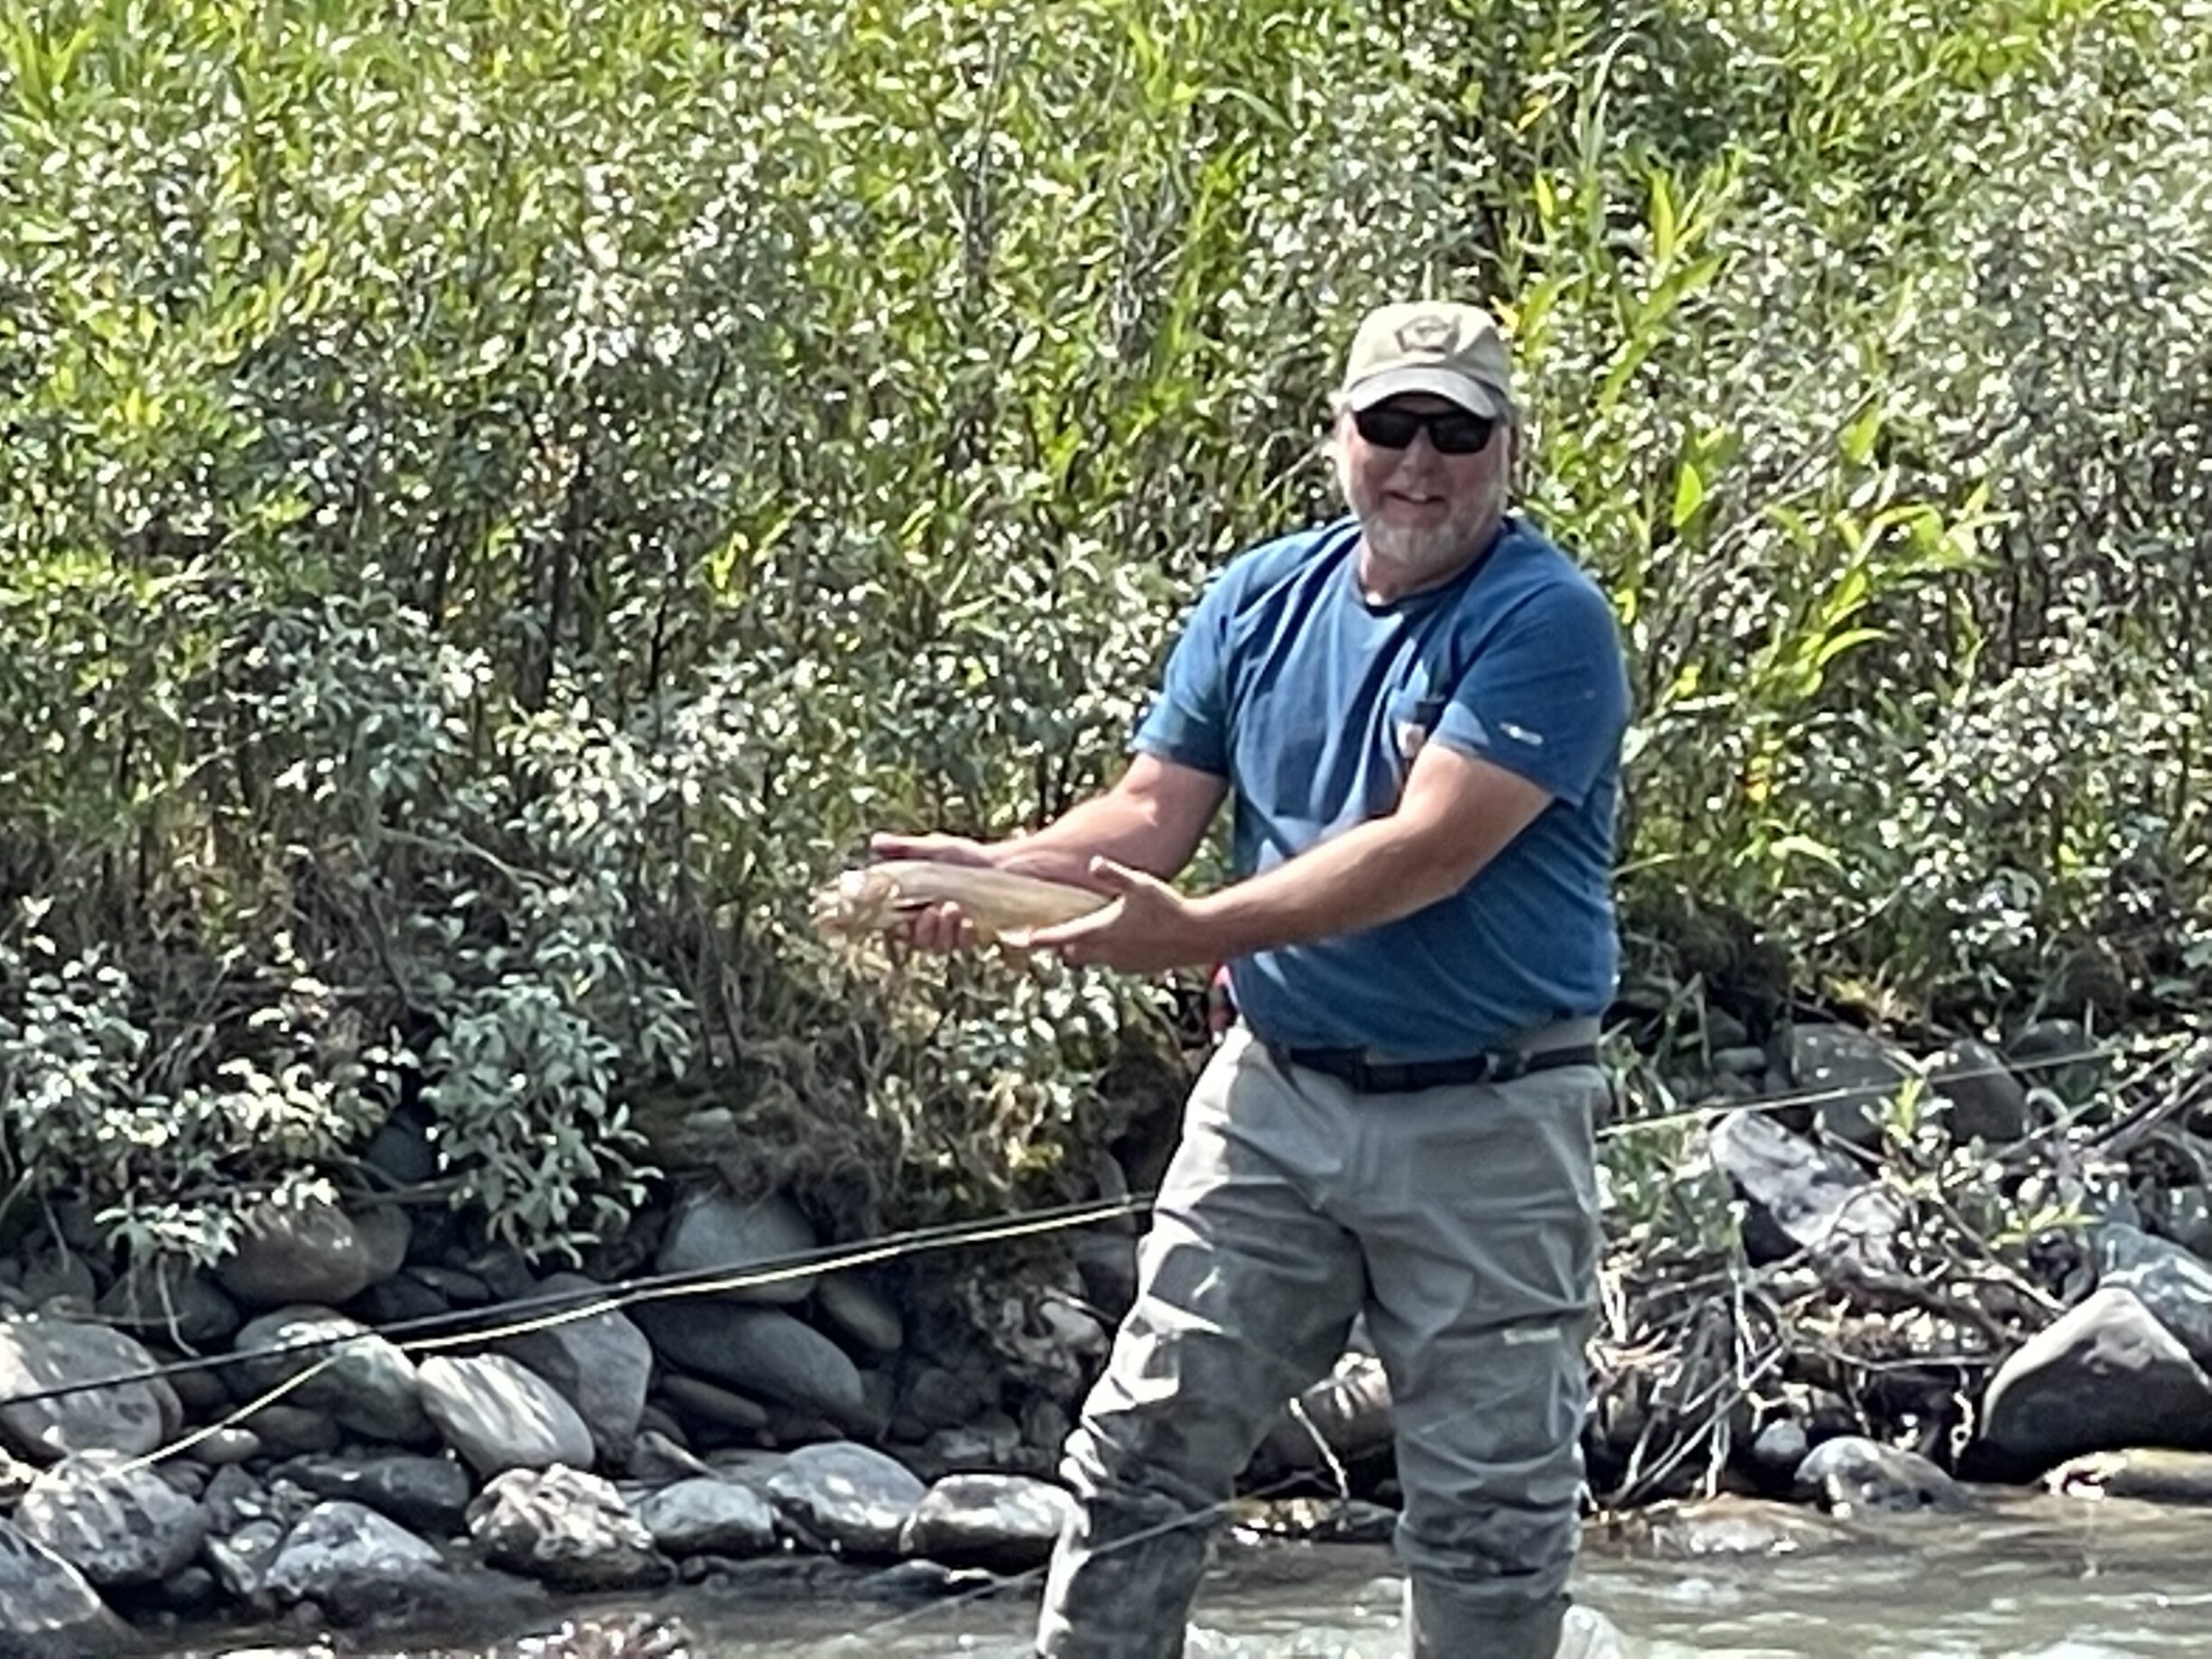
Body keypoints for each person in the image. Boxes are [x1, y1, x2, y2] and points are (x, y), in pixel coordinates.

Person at [875, 299, 1631, 1659]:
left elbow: (1426, 851)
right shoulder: (1262, 595)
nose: (1418, 461)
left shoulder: (1547, 620)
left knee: (1489, 1520)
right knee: (1142, 1450)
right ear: (1337, 436)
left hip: (1493, 1119)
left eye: (1455, 433)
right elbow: (1149, 812)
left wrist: (1198, 931)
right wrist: (993, 875)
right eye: (1390, 425)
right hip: (1273, 1100)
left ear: (1507, 450)